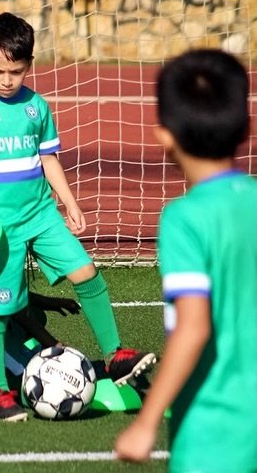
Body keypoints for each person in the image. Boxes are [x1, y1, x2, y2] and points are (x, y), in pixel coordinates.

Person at [0, 12, 157, 421]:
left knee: (87, 271)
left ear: (29, 66)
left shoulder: (36, 107)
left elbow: (48, 158)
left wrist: (70, 203)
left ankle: (114, 356)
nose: (7, 79)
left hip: (42, 214)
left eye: (16, 71)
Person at [115, 49, 256, 470]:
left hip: (212, 433)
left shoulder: (184, 218)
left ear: (165, 136)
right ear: (245, 127)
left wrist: (146, 421)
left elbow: (193, 327)